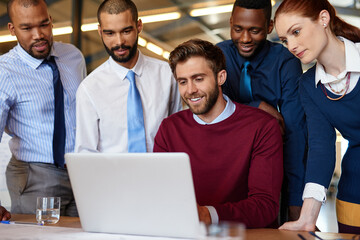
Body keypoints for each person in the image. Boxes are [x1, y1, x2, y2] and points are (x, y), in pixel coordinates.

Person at [154, 39, 283, 228]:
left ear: (221, 77)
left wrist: (208, 215)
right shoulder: (169, 129)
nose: (190, 90)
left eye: (199, 79)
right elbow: (160, 194)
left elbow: (265, 206)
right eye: (183, 82)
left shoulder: (262, 127)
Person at [216, 0, 307, 222]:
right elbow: (213, 111)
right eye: (238, 29)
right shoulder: (218, 56)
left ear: (269, 27)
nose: (245, 38)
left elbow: (295, 134)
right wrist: (257, 106)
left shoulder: (286, 62)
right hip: (227, 165)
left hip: (270, 165)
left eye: (254, 30)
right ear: (230, 23)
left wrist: (296, 203)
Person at [275, 0, 360, 234]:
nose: (291, 45)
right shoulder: (308, 86)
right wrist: (307, 217)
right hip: (355, 188)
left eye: (296, 32)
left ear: (323, 19)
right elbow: (321, 148)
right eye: (285, 40)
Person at [1, 0, 86, 216]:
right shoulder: (5, 72)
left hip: (80, 173)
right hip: (36, 176)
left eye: (44, 24)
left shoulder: (73, 56)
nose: (38, 34)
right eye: (27, 28)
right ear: (12, 29)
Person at [75, 0, 181, 153]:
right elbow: (86, 151)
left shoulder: (166, 74)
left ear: (139, 26)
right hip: (113, 175)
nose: (119, 42)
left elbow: (176, 133)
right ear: (100, 31)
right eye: (110, 33)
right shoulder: (89, 88)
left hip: (160, 172)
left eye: (126, 31)